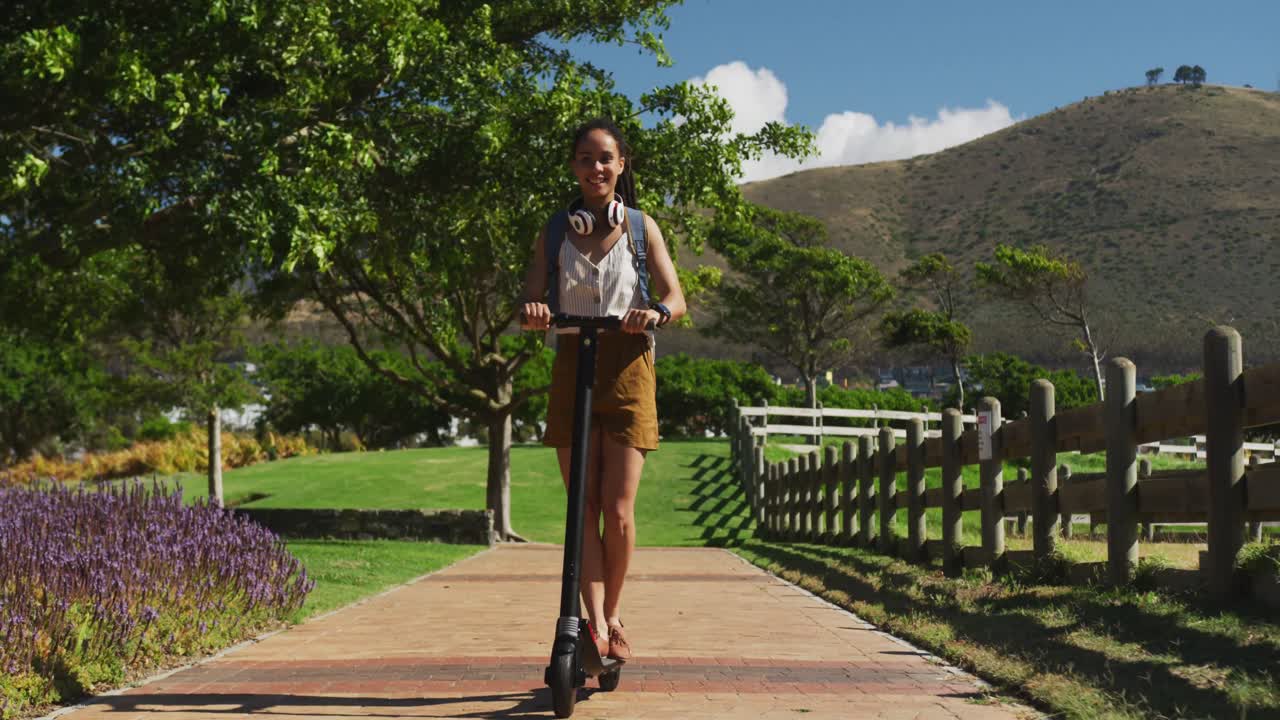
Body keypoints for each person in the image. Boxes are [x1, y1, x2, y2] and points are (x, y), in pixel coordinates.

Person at [519, 118, 686, 661]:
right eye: (586, 159)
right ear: (574, 166)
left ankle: (613, 614)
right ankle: (591, 625)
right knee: (581, 506)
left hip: (630, 367)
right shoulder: (554, 232)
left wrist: (655, 313)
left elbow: (676, 297)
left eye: (605, 158)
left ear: (621, 165)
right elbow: (529, 301)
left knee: (616, 510)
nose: (596, 167)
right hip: (574, 364)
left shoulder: (640, 227)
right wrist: (534, 311)